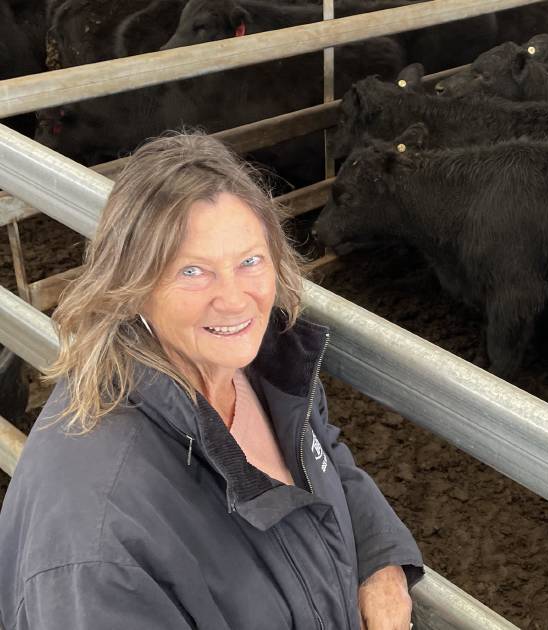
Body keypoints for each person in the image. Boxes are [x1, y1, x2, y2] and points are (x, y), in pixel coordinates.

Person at [0, 132, 422, 629]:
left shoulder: (260, 365)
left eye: (250, 261)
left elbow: (324, 456)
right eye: (193, 271)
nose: (235, 300)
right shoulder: (96, 547)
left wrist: (379, 562)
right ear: (130, 284)